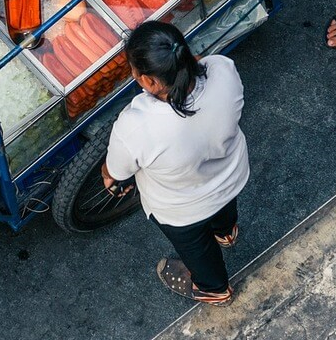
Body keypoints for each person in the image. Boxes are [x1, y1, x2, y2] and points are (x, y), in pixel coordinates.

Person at [103, 22, 249, 307]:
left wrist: (107, 176)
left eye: (134, 70)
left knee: (197, 249)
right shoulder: (222, 69)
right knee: (224, 212)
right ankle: (226, 233)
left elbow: (116, 172)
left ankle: (214, 289)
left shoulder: (135, 126)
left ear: (150, 82)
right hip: (231, 175)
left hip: (183, 209)